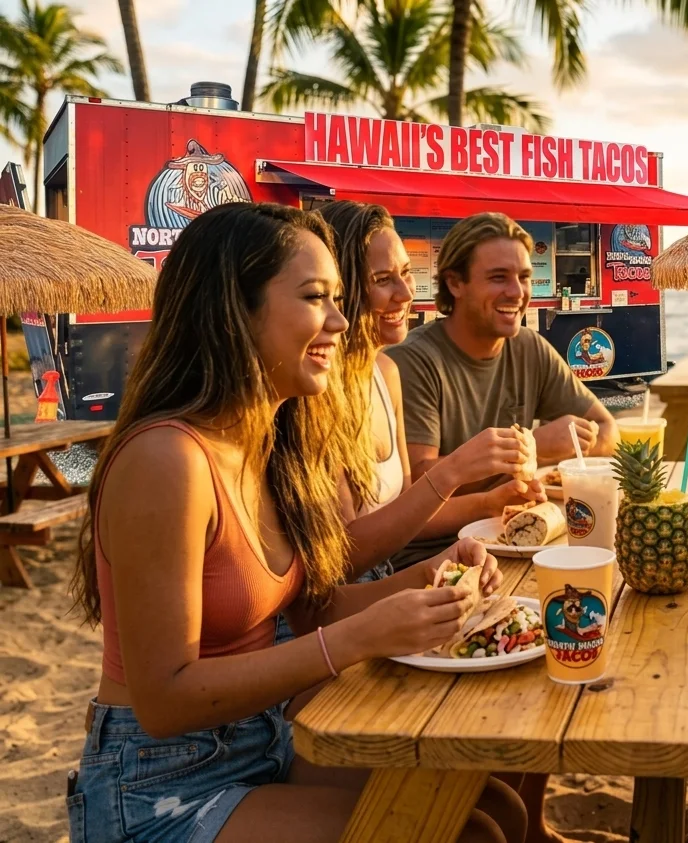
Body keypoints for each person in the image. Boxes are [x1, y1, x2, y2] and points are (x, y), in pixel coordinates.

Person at [66, 202, 525, 843]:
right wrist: (358, 640)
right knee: (458, 834)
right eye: (316, 297)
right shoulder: (166, 459)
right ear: (233, 310)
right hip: (161, 785)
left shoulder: (271, 441)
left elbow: (311, 610)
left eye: (339, 297)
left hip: (270, 736)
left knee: (493, 806)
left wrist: (429, 577)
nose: (341, 321)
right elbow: (164, 699)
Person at [386, 212, 618, 571]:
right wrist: (532, 448)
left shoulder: (528, 347)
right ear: (455, 283)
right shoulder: (414, 362)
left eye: (524, 277)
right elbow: (416, 489)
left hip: (514, 542)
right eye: (498, 278)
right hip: (430, 560)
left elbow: (607, 430)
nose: (517, 292)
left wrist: (555, 447)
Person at [317, 200, 533, 580]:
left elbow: (403, 510)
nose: (404, 293)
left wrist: (486, 508)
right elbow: (342, 558)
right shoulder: (317, 392)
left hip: (384, 580)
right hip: (340, 607)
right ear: (339, 288)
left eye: (405, 273)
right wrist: (455, 468)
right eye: (383, 280)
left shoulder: (385, 371)